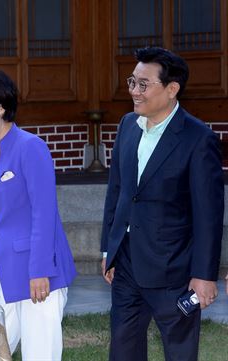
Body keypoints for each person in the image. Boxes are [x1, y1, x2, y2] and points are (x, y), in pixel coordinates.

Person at [101, 47, 223, 360]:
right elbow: (117, 192)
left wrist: (204, 275)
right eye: (132, 82)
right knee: (123, 350)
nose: (134, 91)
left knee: (179, 353)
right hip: (126, 264)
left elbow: (208, 215)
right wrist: (108, 249)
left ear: (172, 90)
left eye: (144, 84)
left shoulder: (198, 139)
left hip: (175, 270)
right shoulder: (127, 126)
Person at [0, 69, 77, 358]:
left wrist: (40, 270)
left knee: (39, 353)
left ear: (1, 107)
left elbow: (44, 214)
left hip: (37, 273)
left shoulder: (31, 148)